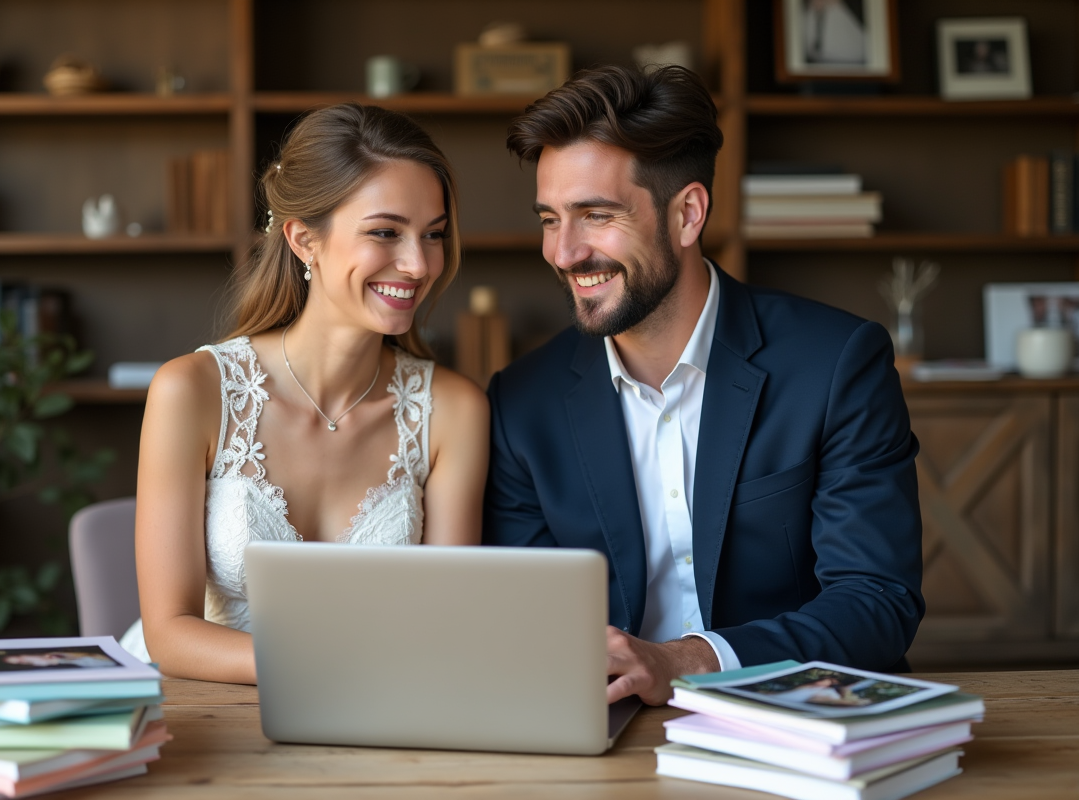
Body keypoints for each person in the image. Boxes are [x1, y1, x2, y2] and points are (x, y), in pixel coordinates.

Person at [485, 65, 923, 706]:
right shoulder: (520, 403)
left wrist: (688, 661)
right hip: (609, 727)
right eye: (550, 219)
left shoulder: (836, 364)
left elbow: (877, 601)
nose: (564, 252)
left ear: (688, 213)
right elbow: (522, 618)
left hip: (800, 718)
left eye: (596, 215)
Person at [126, 104, 490, 684]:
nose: (419, 264)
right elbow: (168, 633)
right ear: (303, 240)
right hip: (206, 705)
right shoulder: (192, 392)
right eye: (385, 232)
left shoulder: (453, 411)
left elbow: (442, 620)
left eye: (434, 235)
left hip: (379, 704)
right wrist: (326, 668)